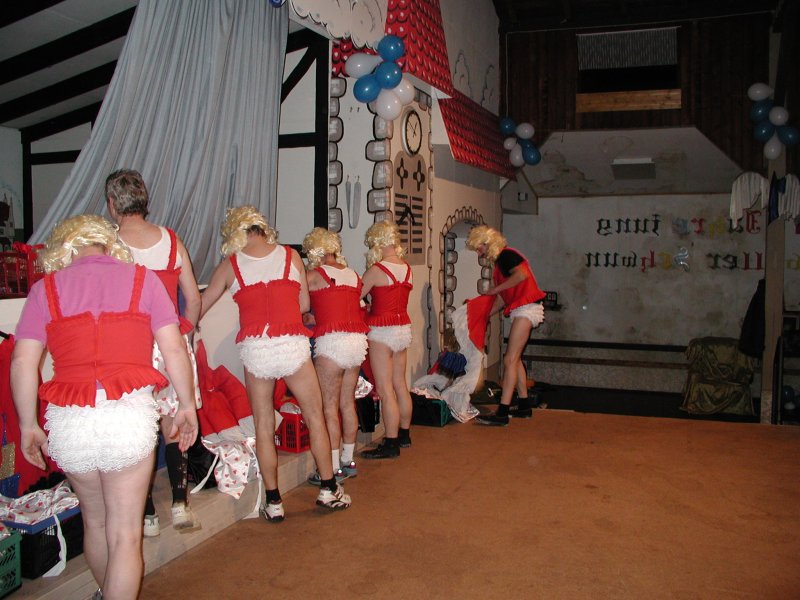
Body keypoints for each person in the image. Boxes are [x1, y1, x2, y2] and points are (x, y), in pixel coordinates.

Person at [10, 215, 197, 600]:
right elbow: (175, 349)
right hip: (126, 416)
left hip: (70, 421)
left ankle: (104, 591)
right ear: (110, 245)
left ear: (65, 249)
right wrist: (186, 405)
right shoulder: (143, 280)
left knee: (94, 521)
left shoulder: (45, 289)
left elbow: (22, 362)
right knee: (125, 535)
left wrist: (29, 424)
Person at [200, 206, 351, 521]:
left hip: (257, 349)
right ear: (262, 228)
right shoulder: (289, 256)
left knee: (264, 426)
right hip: (291, 345)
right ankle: (328, 489)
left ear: (234, 233)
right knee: (315, 416)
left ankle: (273, 502)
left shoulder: (230, 265)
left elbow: (202, 304)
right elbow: (304, 304)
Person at [105, 169, 201, 536]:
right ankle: (180, 504)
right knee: (175, 423)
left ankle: (146, 514)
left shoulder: (108, 245)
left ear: (112, 204)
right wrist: (183, 335)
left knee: (138, 428)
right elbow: (193, 299)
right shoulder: (172, 241)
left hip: (129, 350)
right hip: (169, 344)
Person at [301, 227, 369, 483]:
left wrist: (311, 318)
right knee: (347, 403)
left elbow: (298, 306)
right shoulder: (352, 274)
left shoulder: (312, 276)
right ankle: (348, 460)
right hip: (357, 341)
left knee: (328, 408)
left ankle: (330, 469)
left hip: (332, 343)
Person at [466, 225, 545, 426]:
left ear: (487, 243)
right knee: (514, 360)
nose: (479, 253)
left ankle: (502, 411)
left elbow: (521, 275)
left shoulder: (506, 255)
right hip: (524, 308)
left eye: (479, 248)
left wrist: (494, 291)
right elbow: (503, 298)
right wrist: (483, 314)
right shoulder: (501, 262)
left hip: (527, 308)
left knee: (509, 359)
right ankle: (524, 405)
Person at [360, 221, 413, 459]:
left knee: (384, 389)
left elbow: (355, 296)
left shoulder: (377, 269)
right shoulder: (407, 268)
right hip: (402, 328)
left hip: (382, 329)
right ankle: (404, 434)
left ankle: (390, 443)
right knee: (400, 384)